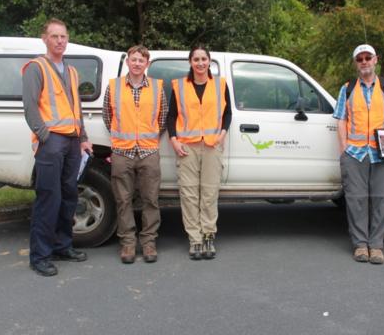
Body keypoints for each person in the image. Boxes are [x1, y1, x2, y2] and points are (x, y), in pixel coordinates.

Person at [22, 18, 93, 276]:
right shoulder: (36, 67)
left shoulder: (72, 71)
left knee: (69, 196)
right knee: (48, 198)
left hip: (73, 141)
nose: (60, 41)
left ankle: (63, 246)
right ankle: (40, 256)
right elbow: (30, 108)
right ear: (44, 38)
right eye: (54, 36)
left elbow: (77, 109)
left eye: (63, 36)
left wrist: (83, 136)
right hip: (51, 142)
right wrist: (44, 136)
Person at [333, 44, 384, 265]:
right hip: (355, 154)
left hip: (381, 154)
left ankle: (376, 246)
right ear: (356, 63)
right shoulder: (347, 88)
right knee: (356, 201)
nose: (364, 62)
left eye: (368, 58)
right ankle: (360, 245)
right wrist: (344, 147)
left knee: (382, 200)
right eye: (360, 59)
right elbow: (341, 119)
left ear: (376, 60)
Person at [102, 45, 167, 264]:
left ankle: (149, 243)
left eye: (141, 60)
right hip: (122, 151)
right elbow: (107, 116)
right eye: (134, 59)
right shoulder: (114, 87)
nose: (137, 63)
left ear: (147, 64)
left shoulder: (158, 88)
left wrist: (150, 139)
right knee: (123, 200)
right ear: (127, 62)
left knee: (151, 200)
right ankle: (128, 244)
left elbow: (163, 118)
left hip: (149, 151)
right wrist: (121, 138)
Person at [167, 45, 231, 260]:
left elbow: (227, 113)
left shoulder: (220, 85)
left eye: (204, 59)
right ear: (190, 62)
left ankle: (208, 236)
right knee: (189, 194)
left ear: (209, 61)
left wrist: (222, 135)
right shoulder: (179, 86)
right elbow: (171, 115)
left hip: (213, 145)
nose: (201, 63)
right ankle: (194, 239)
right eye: (196, 59)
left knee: (210, 193)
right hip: (187, 147)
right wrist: (174, 141)